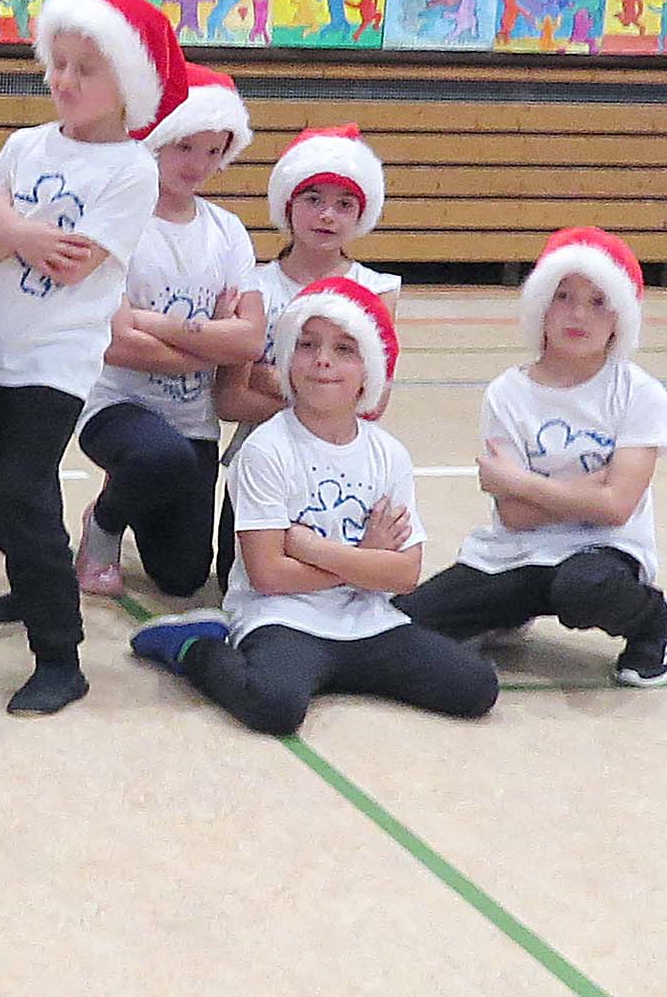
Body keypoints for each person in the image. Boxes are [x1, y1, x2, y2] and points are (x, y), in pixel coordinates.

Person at [129, 279, 498, 734]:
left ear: (369, 371)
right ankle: (194, 647)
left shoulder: (389, 454)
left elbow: (404, 573)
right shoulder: (265, 450)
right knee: (274, 706)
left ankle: (334, 670)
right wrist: (365, 559)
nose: (323, 360)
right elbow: (269, 576)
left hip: (368, 620)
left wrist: (313, 549)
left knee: (476, 687)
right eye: (307, 345)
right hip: (282, 617)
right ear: (287, 361)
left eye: (344, 349)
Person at [0, 0, 188, 715]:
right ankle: (36, 585)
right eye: (57, 63)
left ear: (129, 83)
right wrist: (10, 231)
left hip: (56, 362)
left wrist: (7, 221)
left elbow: (71, 262)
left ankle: (61, 656)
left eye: (86, 68)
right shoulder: (26, 145)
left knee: (25, 496)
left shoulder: (132, 170)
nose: (64, 79)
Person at [399, 228, 667, 687]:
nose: (578, 314)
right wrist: (591, 488)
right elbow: (515, 516)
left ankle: (654, 625)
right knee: (405, 623)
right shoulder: (507, 393)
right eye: (563, 296)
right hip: (516, 553)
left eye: (598, 301)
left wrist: (519, 482)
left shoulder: (639, 393)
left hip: (603, 552)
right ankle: (508, 612)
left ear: (621, 316)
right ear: (540, 304)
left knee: (583, 588)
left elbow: (617, 508)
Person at [69, 65, 264, 600]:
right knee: (159, 455)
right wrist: (209, 341)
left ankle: (126, 492)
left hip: (192, 422)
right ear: (156, 138)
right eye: (185, 147)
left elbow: (249, 340)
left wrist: (154, 324)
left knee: (182, 578)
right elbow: (116, 342)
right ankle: (103, 527)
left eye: (212, 151)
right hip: (116, 406)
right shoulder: (119, 221)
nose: (197, 164)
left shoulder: (227, 232)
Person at [213, 124, 400, 585]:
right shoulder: (255, 286)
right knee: (232, 579)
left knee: (341, 581)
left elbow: (371, 402)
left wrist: (271, 377)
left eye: (344, 204)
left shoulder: (378, 290)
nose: (327, 215)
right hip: (260, 465)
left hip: (344, 470)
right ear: (288, 205)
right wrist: (323, 398)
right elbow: (230, 399)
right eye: (313, 199)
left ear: (362, 213)